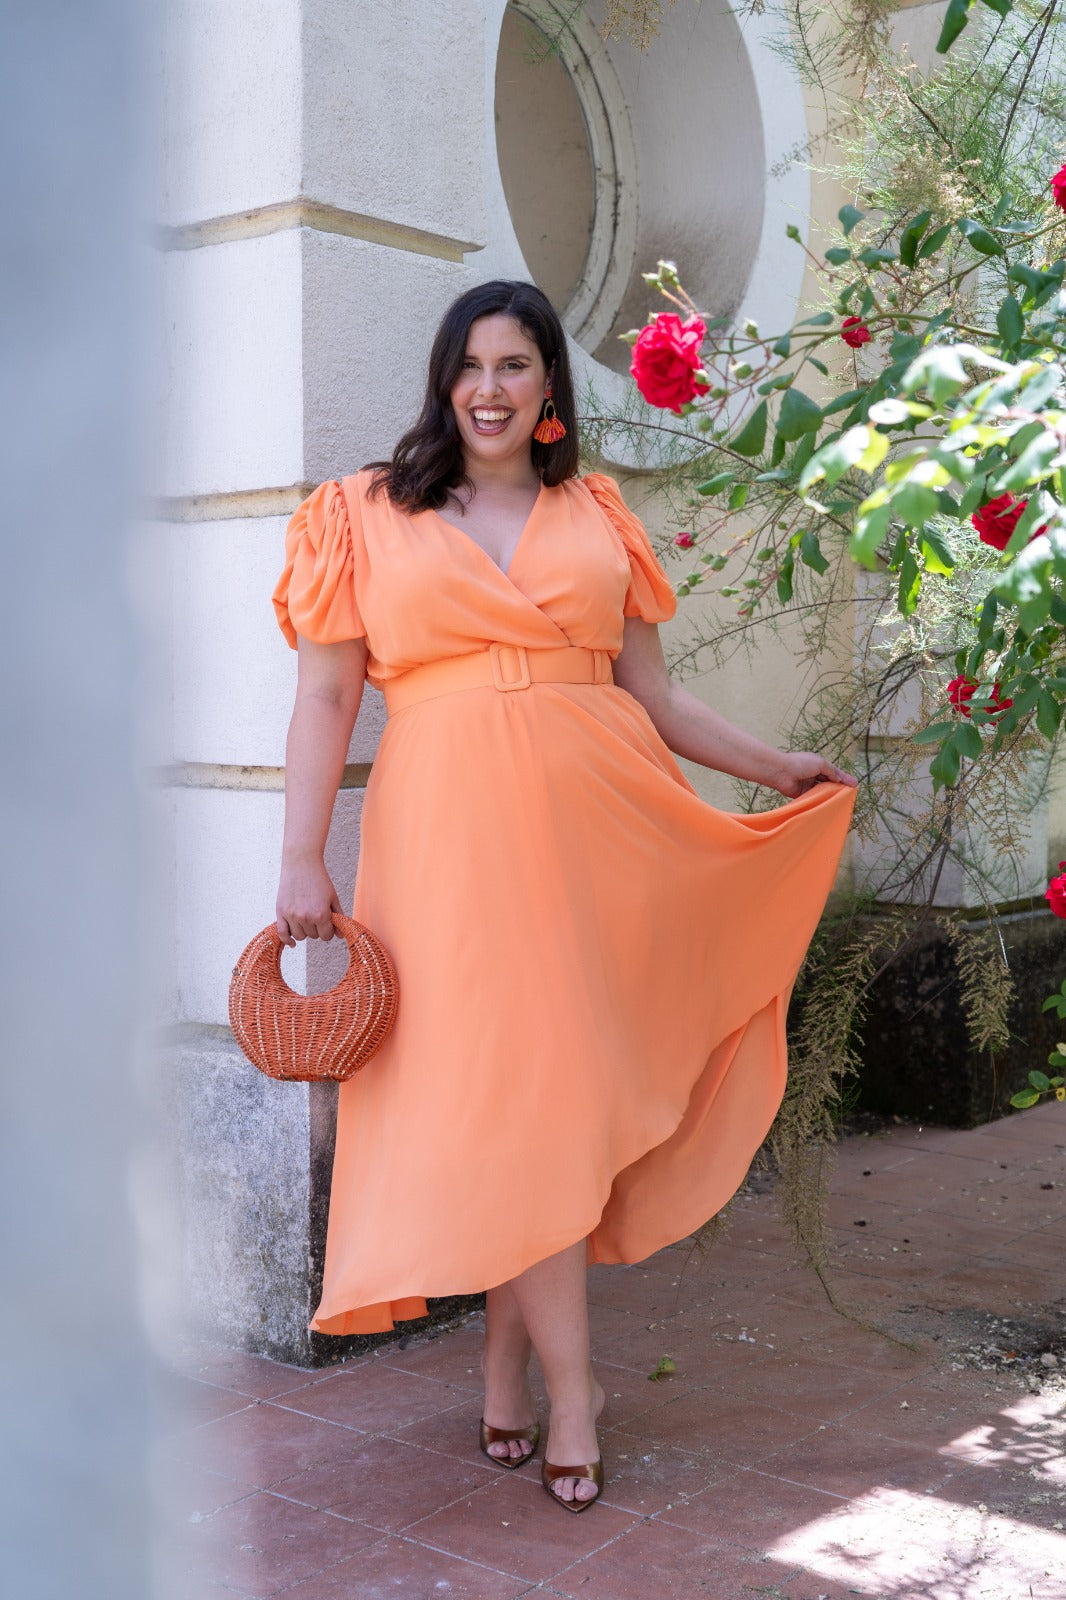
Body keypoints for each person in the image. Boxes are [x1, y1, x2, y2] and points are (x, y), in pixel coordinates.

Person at [272, 279, 856, 1512]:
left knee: (548, 1098)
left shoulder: (596, 512)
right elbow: (325, 696)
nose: (487, 388)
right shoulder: (362, 513)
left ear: (549, 386)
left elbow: (655, 694)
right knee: (510, 1097)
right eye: (469, 365)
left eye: (513, 365)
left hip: (600, 826)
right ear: (444, 380)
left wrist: (772, 766)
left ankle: (517, 1366)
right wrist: (300, 854)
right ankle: (569, 1387)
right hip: (448, 842)